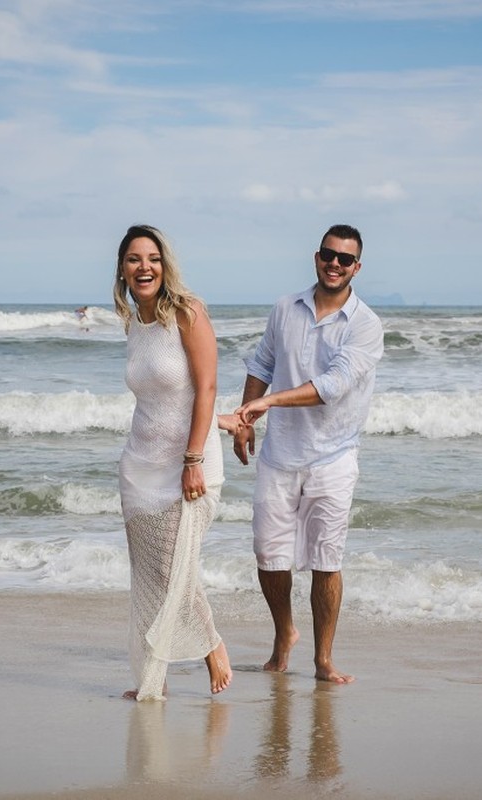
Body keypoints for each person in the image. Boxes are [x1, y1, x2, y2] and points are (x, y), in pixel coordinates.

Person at [232, 223, 384, 685]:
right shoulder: (285, 308)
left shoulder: (365, 325)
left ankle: (323, 659)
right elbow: (262, 363)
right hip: (279, 455)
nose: (334, 264)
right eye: (327, 255)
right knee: (269, 556)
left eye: (344, 258)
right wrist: (245, 418)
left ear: (357, 267)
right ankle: (284, 636)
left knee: (326, 559)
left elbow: (331, 387)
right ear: (316, 257)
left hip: (333, 456)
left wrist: (268, 402)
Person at [113, 224, 238, 701]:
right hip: (139, 467)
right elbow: (162, 399)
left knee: (173, 570)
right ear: (122, 270)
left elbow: (205, 387)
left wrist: (193, 459)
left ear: (165, 266)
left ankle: (213, 647)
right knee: (149, 576)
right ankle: (153, 679)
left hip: (190, 468)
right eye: (133, 259)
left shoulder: (188, 312)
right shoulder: (134, 322)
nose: (144, 267)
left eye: (153, 258)